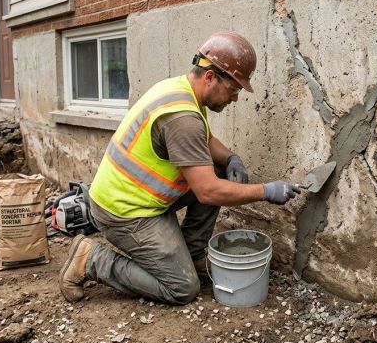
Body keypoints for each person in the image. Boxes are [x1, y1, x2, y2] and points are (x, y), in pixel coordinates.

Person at [58, 31, 301, 305]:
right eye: (233, 89)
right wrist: (266, 191)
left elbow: (204, 140)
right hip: (124, 213)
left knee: (220, 169)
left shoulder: (182, 89)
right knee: (182, 287)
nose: (235, 99)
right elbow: (208, 192)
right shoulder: (182, 119)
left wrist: (232, 158)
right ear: (210, 77)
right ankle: (91, 259)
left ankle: (193, 254)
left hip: (139, 198)